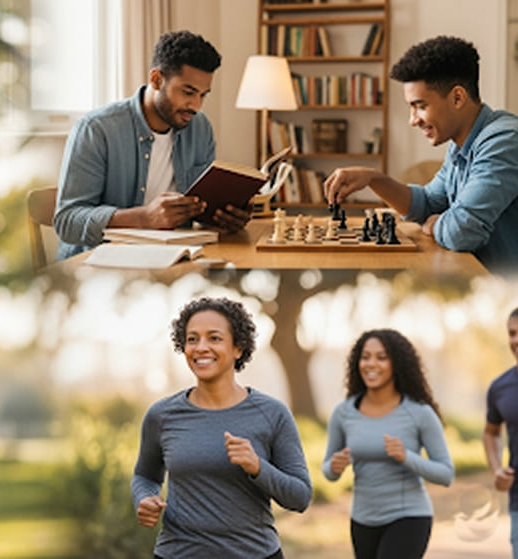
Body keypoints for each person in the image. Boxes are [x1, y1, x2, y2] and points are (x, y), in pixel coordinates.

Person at [132, 297, 311, 558]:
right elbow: (145, 476)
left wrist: (258, 467)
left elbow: (300, 497)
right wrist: (144, 499)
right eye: (192, 339)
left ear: (238, 348)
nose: (200, 347)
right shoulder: (162, 414)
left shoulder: (272, 413)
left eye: (214, 338)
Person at [324, 36, 518, 274]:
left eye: (420, 106)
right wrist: (374, 178)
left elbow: (462, 232)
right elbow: (428, 203)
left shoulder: (504, 140)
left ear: (457, 97)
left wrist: (437, 225)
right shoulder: (462, 144)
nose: (412, 120)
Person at [53, 30, 251, 261]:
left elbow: (201, 207)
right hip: (101, 265)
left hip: (175, 260)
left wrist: (226, 216)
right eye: (188, 92)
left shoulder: (200, 128)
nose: (196, 106)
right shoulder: (96, 129)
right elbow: (68, 221)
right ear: (156, 79)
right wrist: (144, 218)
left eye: (203, 95)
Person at [322, 329, 454, 559]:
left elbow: (446, 474)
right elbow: (328, 471)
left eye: (382, 357)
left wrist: (407, 457)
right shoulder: (343, 413)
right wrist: (334, 467)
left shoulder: (419, 413)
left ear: (397, 364)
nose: (371, 364)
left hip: (409, 517)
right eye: (366, 357)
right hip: (362, 519)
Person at [484, 307, 518, 559]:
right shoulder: (500, 387)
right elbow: (490, 432)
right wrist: (496, 468)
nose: (515, 340)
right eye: (512, 333)